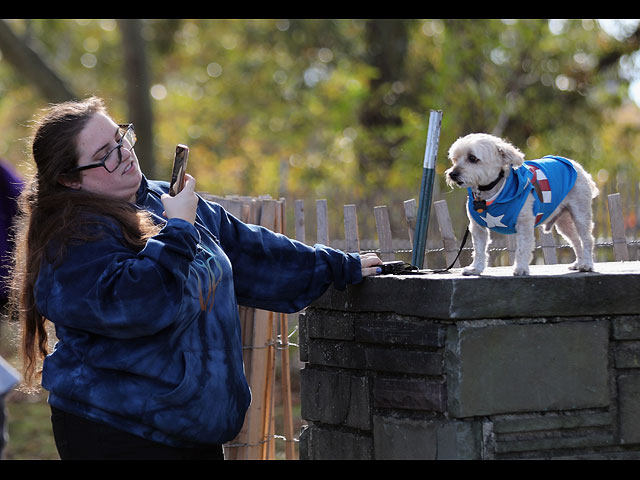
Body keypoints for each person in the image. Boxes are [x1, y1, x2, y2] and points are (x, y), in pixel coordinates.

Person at [7, 97, 382, 460]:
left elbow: (246, 248)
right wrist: (180, 228)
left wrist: (336, 266)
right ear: (70, 180)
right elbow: (140, 303)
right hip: (116, 431)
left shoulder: (160, 199)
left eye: (121, 138)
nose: (124, 154)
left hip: (188, 431)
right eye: (104, 155)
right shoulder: (70, 239)